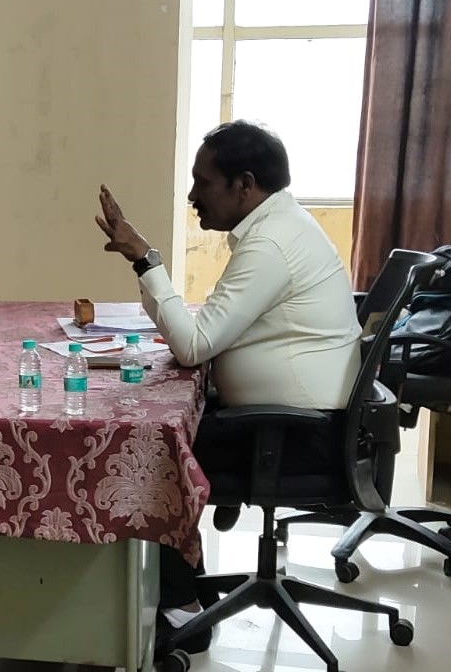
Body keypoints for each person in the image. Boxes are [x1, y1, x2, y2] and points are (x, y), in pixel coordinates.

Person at [95, 120, 362, 657]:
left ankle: (180, 609)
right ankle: (179, 586)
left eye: (203, 182)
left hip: (291, 434)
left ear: (244, 184)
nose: (193, 195)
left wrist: (145, 259)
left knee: (141, 453)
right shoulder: (281, 226)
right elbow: (211, 333)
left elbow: (193, 345)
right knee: (158, 429)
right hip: (291, 418)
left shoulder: (271, 244)